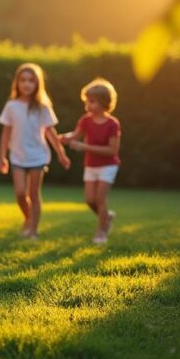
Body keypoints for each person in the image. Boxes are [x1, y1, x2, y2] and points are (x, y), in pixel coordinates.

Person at [0, 63, 71, 239]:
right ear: (17, 83)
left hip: (38, 155)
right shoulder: (11, 106)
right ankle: (28, 218)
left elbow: (50, 133)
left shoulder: (43, 107)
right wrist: (2, 157)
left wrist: (61, 154)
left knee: (33, 193)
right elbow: (5, 134)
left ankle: (33, 230)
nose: (26, 84)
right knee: (20, 193)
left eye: (31, 80)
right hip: (17, 155)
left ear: (37, 84)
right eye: (23, 80)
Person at [62, 78, 122, 244]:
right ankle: (107, 217)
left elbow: (112, 150)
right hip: (91, 166)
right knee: (90, 200)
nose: (88, 105)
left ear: (104, 102)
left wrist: (85, 147)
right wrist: (57, 138)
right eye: (86, 101)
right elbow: (74, 136)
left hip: (108, 166)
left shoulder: (112, 124)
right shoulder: (85, 120)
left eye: (92, 101)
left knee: (100, 199)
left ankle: (101, 233)